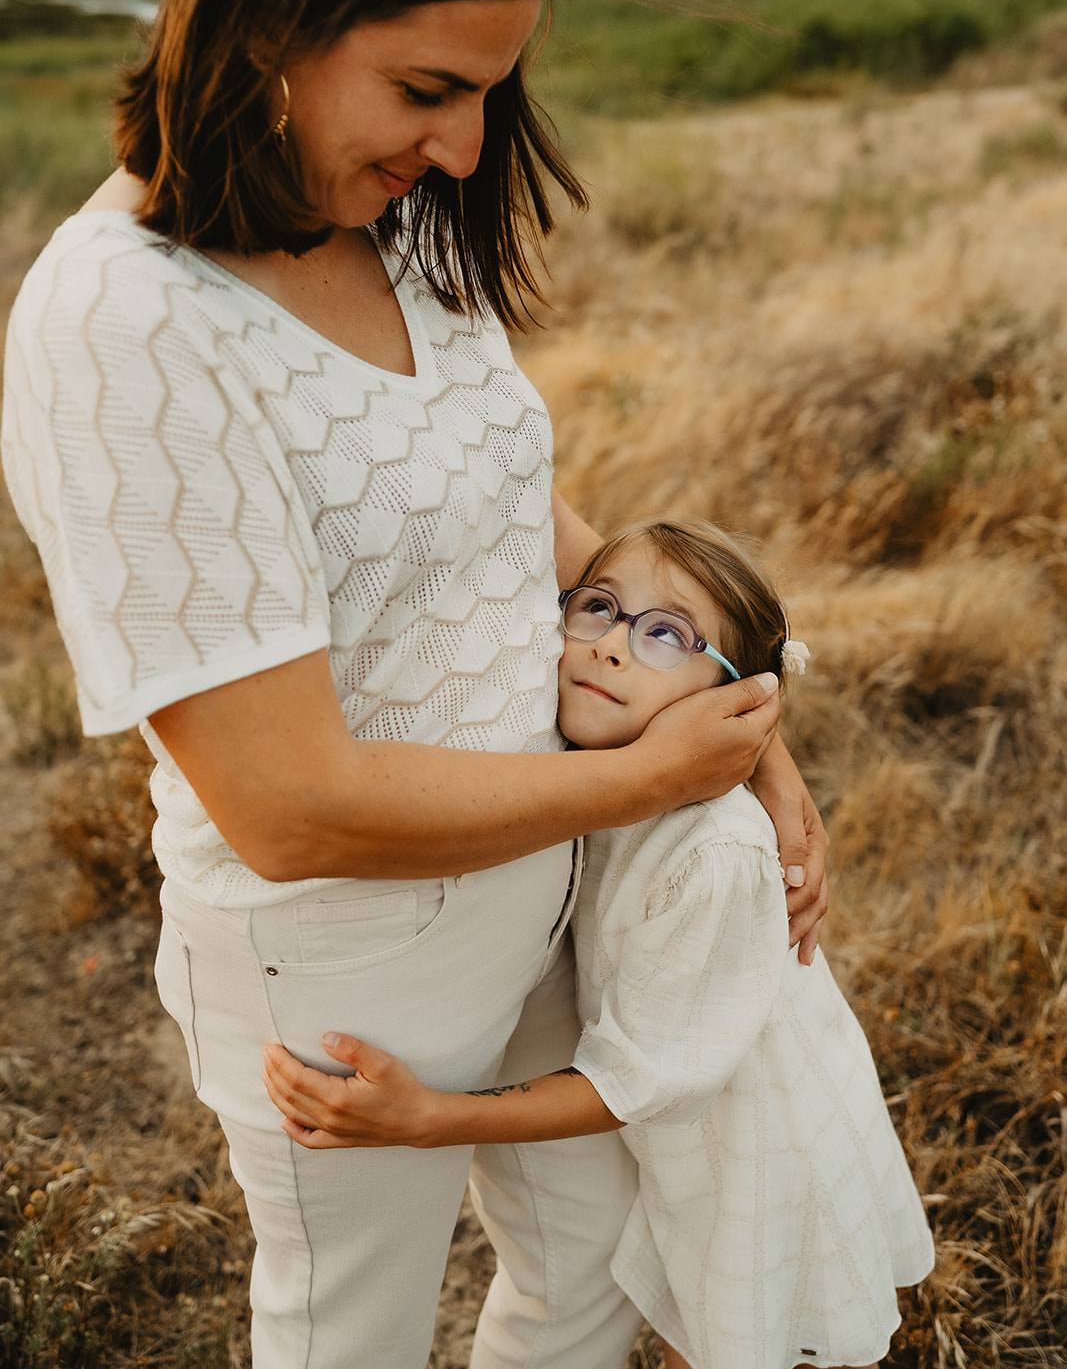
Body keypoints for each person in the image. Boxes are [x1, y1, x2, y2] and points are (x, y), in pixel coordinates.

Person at [0, 0, 829, 1366]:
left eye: (487, 93)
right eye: (426, 88)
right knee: (353, 1337)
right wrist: (644, 783)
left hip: (546, 896)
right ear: (269, 16)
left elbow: (504, 499)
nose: (460, 148)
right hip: (342, 977)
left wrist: (740, 737)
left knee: (589, 1275)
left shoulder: (386, 215)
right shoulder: (125, 323)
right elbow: (290, 803)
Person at [263, 518, 934, 1369]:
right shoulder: (576, 760)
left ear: (734, 703)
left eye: (667, 636)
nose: (611, 646)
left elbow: (636, 1079)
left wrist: (435, 1119)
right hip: (680, 1131)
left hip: (753, 1154)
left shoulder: (714, 854)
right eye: (598, 608)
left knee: (739, 1343)